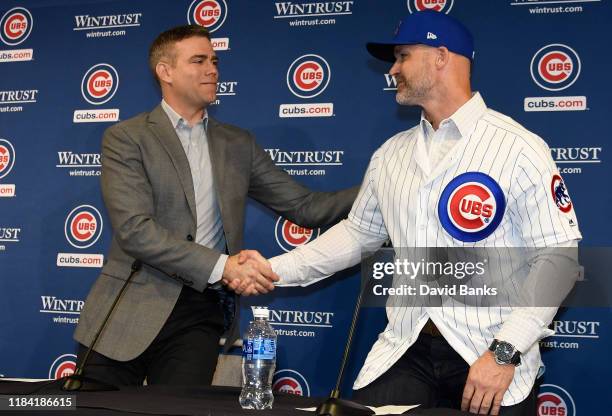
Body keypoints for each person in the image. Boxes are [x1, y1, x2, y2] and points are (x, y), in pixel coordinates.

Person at [264, 11, 581, 415]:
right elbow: (358, 235)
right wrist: (272, 270)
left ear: (441, 57)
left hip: (491, 350)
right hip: (407, 345)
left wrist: (505, 352)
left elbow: (558, 257)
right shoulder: (391, 154)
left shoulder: (519, 147)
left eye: (402, 56)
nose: (393, 69)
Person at [73, 24, 357, 387]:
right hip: (127, 307)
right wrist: (224, 266)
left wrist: (379, 188)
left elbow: (306, 207)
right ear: (165, 71)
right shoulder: (127, 137)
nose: (213, 69)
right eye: (199, 60)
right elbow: (134, 230)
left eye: (215, 61)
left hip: (200, 315)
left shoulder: (237, 143)